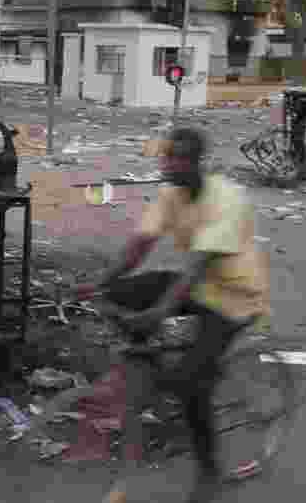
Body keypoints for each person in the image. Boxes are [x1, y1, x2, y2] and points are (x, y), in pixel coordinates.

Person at [88, 127, 271, 503]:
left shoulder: (227, 199)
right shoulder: (171, 193)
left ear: (196, 161)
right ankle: (151, 374)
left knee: (191, 386)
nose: (169, 164)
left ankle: (209, 473)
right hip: (199, 287)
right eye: (166, 157)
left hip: (234, 298)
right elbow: (138, 248)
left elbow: (195, 269)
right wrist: (98, 284)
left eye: (178, 158)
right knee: (119, 293)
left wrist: (158, 313)